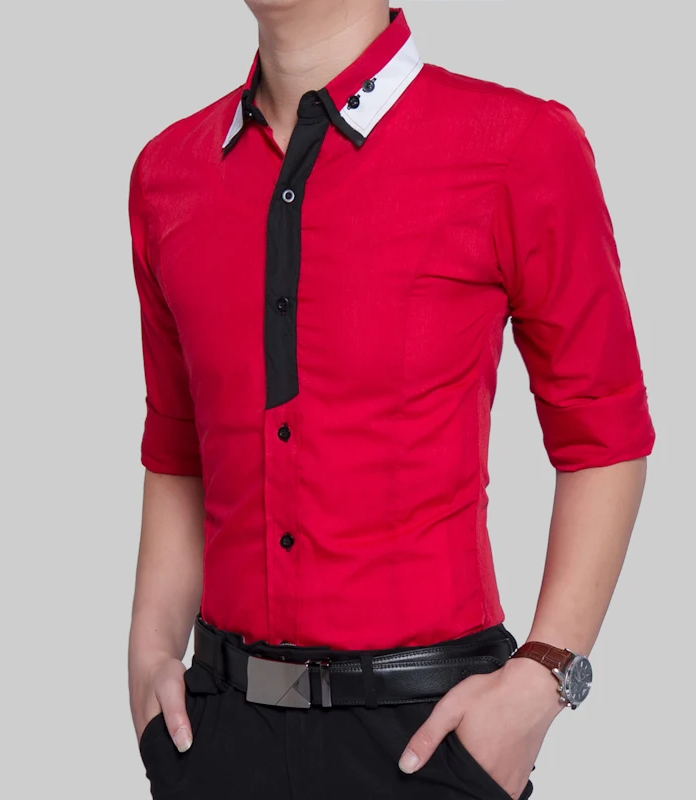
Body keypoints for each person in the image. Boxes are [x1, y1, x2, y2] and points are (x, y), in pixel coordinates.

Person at [126, 2, 655, 798]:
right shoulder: (169, 174)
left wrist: (544, 673)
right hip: (219, 733)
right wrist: (149, 655)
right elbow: (176, 446)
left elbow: (603, 430)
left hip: (429, 735)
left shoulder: (517, 145)